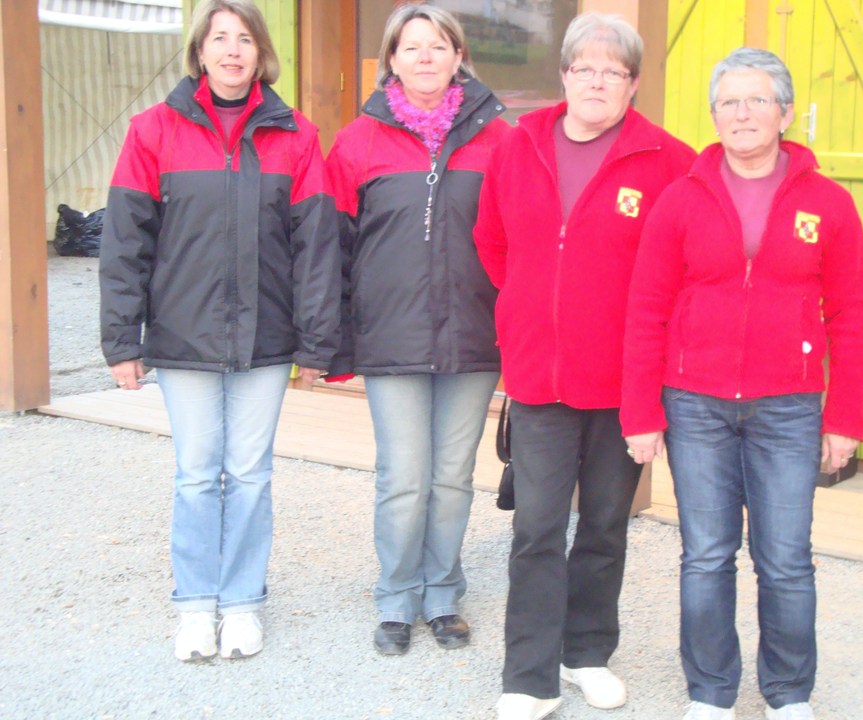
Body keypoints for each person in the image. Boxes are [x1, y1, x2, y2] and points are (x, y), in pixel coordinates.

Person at [621, 48, 863, 720]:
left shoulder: (829, 203)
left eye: (758, 100)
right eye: (730, 101)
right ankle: (710, 693)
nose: (743, 113)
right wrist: (639, 411)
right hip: (695, 403)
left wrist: (844, 417)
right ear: (715, 115)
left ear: (785, 113)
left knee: (786, 558)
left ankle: (789, 694)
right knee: (706, 555)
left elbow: (853, 315)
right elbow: (647, 308)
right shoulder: (680, 199)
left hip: (788, 408)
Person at [99, 0, 340, 662]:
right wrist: (123, 342)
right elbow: (125, 245)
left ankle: (241, 604)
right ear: (200, 53)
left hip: (266, 340)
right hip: (184, 340)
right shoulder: (154, 131)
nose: (233, 51)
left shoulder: (297, 136)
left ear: (263, 55)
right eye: (220, 39)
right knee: (198, 473)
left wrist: (317, 343)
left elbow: (316, 246)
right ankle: (195, 605)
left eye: (245, 40)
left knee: (251, 473)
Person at [474, 13, 695, 720]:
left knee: (604, 525)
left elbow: (685, 269)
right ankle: (529, 675)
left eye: (614, 71)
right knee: (536, 526)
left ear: (632, 83)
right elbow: (493, 241)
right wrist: (529, 309)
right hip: (539, 375)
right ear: (564, 75)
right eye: (584, 68)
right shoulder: (520, 145)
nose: (597, 80)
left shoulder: (668, 160)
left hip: (624, 381)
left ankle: (586, 654)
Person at [324, 4, 509, 656]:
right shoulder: (357, 143)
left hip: (472, 335)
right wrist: (334, 336)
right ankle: (397, 598)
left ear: (458, 57)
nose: (425, 57)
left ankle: (442, 595)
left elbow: (520, 241)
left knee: (453, 476)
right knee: (404, 478)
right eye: (412, 47)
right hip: (392, 337)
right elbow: (333, 247)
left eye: (438, 46)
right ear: (391, 61)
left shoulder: (498, 139)